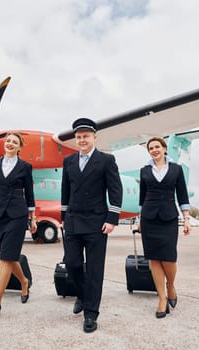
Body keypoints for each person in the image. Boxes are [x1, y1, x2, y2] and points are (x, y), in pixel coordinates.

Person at [61, 117, 123, 333]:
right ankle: (82, 294)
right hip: (73, 220)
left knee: (95, 270)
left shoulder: (106, 160)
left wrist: (112, 218)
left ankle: (90, 314)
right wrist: (63, 217)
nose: (82, 140)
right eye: (78, 137)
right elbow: (65, 192)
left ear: (94, 137)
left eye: (86, 136)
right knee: (72, 263)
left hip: (97, 222)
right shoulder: (69, 161)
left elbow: (115, 190)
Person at [0, 132, 37, 322]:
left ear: (20, 147)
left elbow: (29, 193)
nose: (10, 144)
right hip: (0, 215)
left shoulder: (25, 167)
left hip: (18, 214)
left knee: (5, 258)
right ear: (4, 144)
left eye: (15, 142)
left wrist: (33, 217)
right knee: (9, 255)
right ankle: (24, 281)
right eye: (8, 141)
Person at [137, 136, 191, 318]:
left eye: (157, 147)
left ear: (164, 148)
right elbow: (141, 198)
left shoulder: (176, 169)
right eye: (151, 148)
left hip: (168, 217)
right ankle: (162, 299)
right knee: (153, 259)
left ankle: (171, 286)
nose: (154, 150)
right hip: (149, 218)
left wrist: (187, 219)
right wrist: (139, 219)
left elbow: (182, 195)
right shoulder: (144, 170)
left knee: (169, 258)